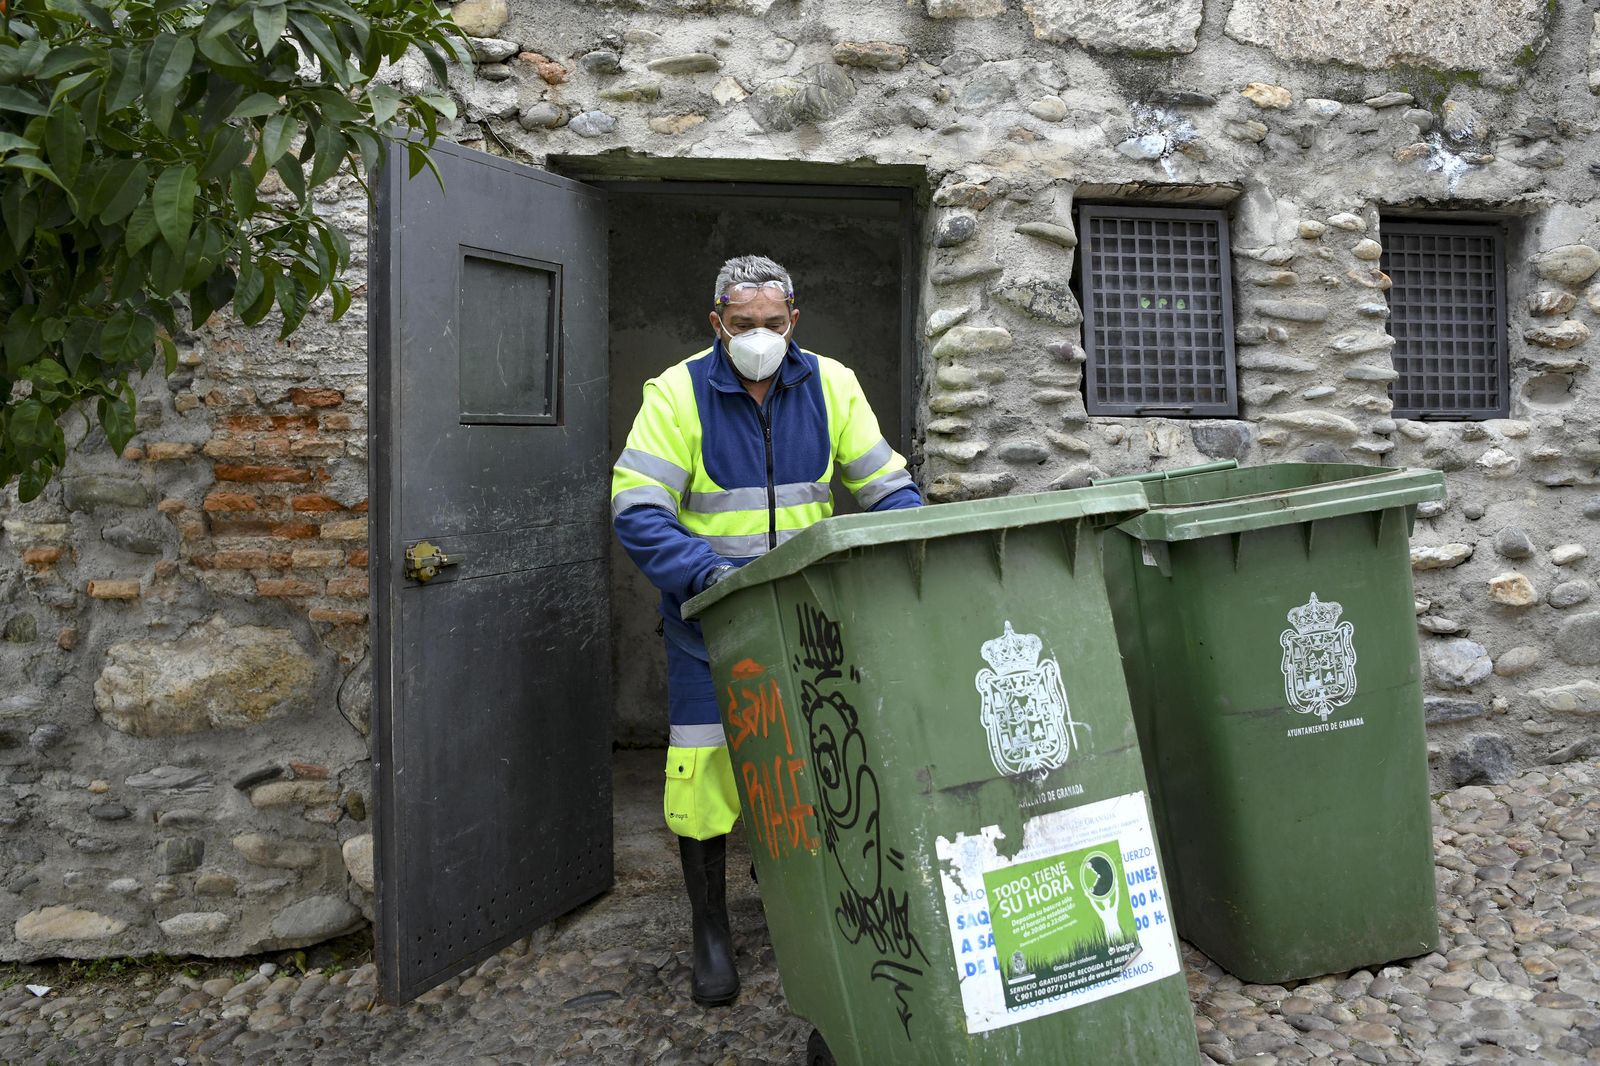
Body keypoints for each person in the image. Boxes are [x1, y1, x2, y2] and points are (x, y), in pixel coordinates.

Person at [611, 254, 923, 1006]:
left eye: (773, 325)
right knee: (704, 775)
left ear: (795, 321)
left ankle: (810, 906)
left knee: (821, 763)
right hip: (709, 624)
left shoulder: (832, 383)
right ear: (716, 322)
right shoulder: (677, 393)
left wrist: (913, 539)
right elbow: (637, 509)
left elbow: (887, 489)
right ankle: (710, 929)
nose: (759, 337)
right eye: (743, 325)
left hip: (811, 621)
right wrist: (711, 578)